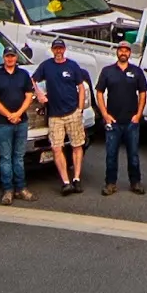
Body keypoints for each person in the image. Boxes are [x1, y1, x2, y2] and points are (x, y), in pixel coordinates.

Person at [32, 37, 90, 195]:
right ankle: (65, 182)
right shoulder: (46, 66)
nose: (58, 51)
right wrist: (39, 94)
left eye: (60, 48)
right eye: (56, 48)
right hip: (55, 115)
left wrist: (80, 108)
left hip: (72, 113)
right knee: (56, 148)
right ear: (52, 50)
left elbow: (81, 87)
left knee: (77, 145)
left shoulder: (72, 65)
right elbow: (32, 80)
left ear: (64, 50)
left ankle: (76, 178)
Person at [97, 40, 147, 195]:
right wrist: (105, 114)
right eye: (121, 50)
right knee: (111, 155)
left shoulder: (137, 71)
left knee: (133, 155)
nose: (123, 53)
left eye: (126, 50)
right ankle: (110, 184)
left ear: (129, 53)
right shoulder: (107, 71)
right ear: (117, 52)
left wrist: (138, 115)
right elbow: (99, 92)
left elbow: (143, 93)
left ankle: (135, 183)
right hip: (113, 122)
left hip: (131, 122)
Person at [0, 44, 35, 204]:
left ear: (16, 58)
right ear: (3, 58)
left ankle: (21, 188)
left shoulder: (23, 74)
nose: (10, 59)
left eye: (12, 56)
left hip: (21, 122)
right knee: (5, 158)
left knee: (19, 157)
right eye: (7, 56)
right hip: (3, 123)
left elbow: (29, 96)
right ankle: (8, 190)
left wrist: (18, 114)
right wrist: (9, 115)